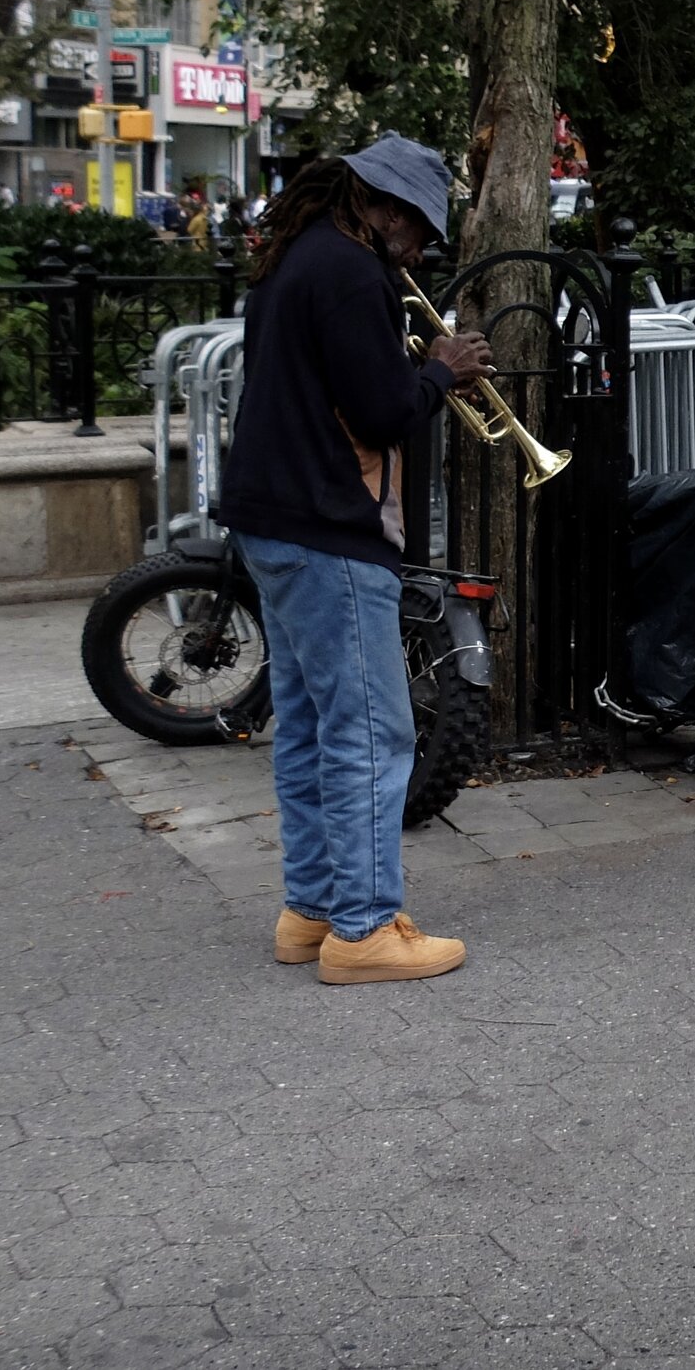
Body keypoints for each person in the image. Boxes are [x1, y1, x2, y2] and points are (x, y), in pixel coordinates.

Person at [215, 136, 493, 983]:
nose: (420, 253)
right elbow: (379, 413)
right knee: (373, 730)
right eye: (420, 235)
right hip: (329, 524)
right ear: (389, 211)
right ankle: (366, 930)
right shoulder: (349, 270)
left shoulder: (296, 255)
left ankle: (311, 911)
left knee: (306, 724)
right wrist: (440, 372)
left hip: (273, 519)